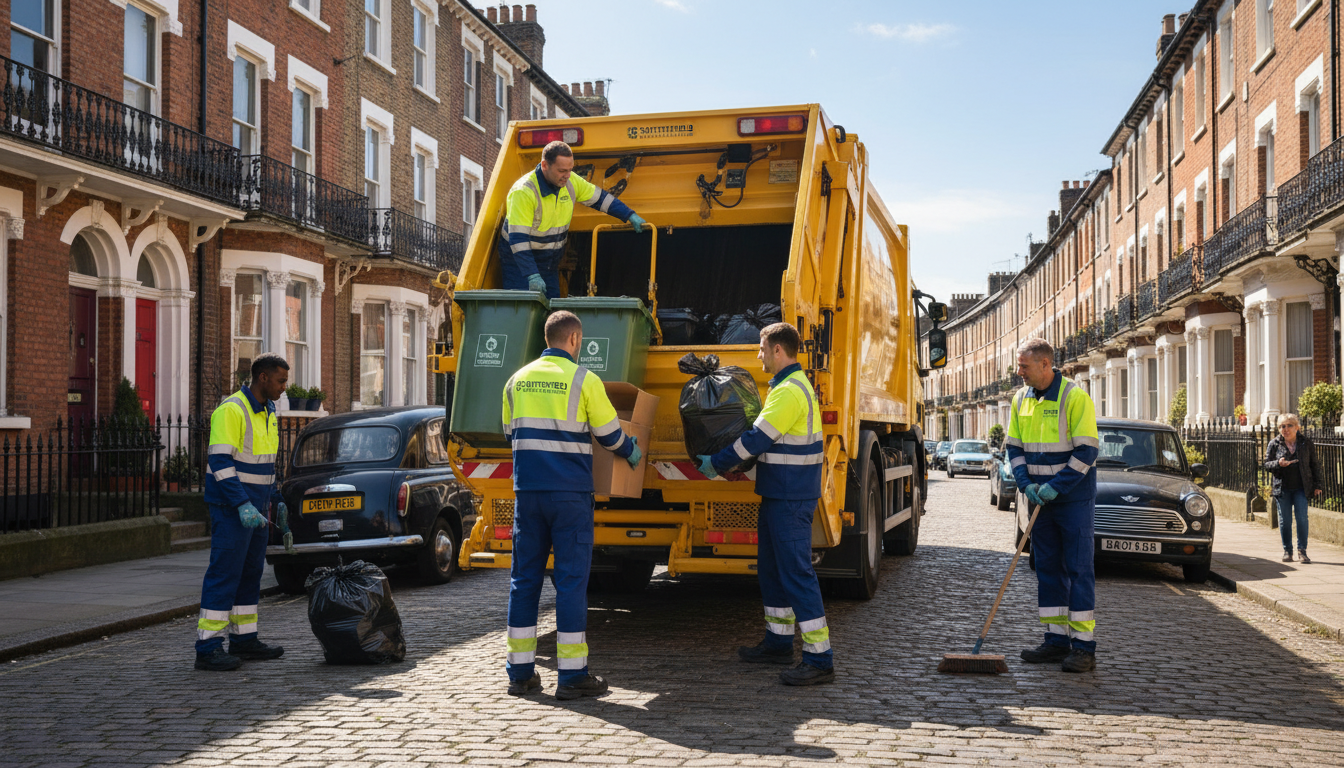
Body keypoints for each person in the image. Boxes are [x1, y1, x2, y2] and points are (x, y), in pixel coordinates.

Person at [501, 310, 642, 700]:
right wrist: (632, 452)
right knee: (571, 582)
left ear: (547, 338)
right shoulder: (584, 380)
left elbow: (510, 433)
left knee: (523, 580)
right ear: (575, 340)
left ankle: (520, 674)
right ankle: (573, 675)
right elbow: (610, 435)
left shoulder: (516, 381)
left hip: (527, 495)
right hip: (569, 497)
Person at [695, 323, 833, 686]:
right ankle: (778, 643)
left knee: (796, 574)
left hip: (790, 497)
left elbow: (756, 440)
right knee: (772, 572)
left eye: (761, 348)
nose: (757, 355)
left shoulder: (789, 392)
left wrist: (718, 463)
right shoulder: (785, 388)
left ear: (777, 351)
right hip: (779, 494)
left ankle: (820, 660)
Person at [1005, 338, 1100, 673]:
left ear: (1045, 364)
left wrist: (1054, 488)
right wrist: (1026, 484)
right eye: (1019, 366)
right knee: (1047, 569)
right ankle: (1056, 639)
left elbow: (1087, 452)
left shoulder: (1074, 397)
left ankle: (1084, 647)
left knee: (1078, 569)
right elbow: (1013, 447)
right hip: (1038, 501)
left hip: (1072, 499)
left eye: (1024, 367)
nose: (1020, 373)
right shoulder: (1020, 399)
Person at [195, 353, 289, 671]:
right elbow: (220, 462)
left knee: (250, 576)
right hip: (232, 508)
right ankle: (207, 648)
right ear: (262, 377)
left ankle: (244, 639)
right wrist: (242, 504)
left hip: (257, 508)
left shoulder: (269, 410)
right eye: (280, 380)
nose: (284, 388)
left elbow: (265, 463)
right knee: (225, 575)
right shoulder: (231, 410)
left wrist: (276, 500)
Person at [499, 140, 647, 298]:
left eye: (570, 170)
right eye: (562, 171)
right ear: (544, 166)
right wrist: (531, 275)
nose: (567, 176)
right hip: (520, 262)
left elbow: (600, 199)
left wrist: (629, 215)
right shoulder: (524, 192)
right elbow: (518, 240)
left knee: (551, 312)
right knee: (523, 309)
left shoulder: (570, 181)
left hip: (549, 263)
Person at [1263, 413, 1322, 564]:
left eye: (1289, 425)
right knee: (1285, 521)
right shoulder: (1274, 444)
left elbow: (1314, 465)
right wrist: (1278, 463)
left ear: (1297, 427)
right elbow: (1266, 464)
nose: (1286, 429)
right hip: (1282, 488)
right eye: (1283, 426)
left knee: (1302, 519)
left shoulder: (1305, 443)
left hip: (1301, 487)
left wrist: (1317, 485)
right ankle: (1287, 551)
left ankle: (1302, 551)